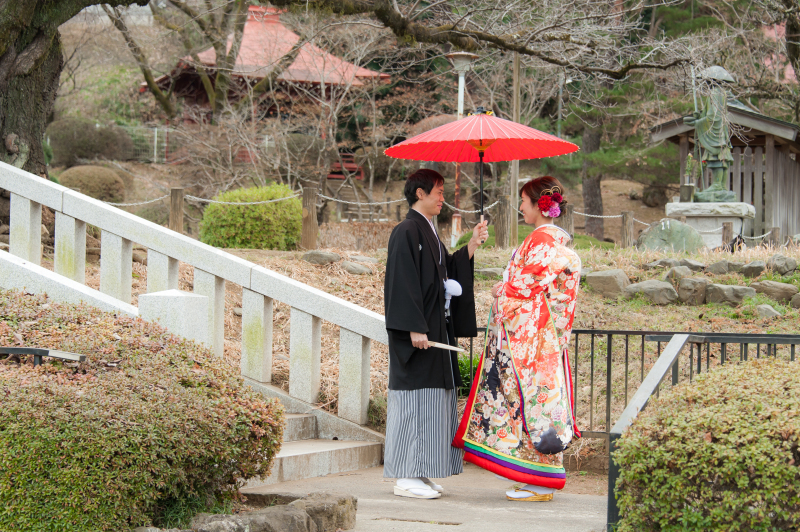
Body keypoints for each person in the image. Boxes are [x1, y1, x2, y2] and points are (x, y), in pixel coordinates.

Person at [453, 176, 582, 502]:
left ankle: (542, 481)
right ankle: (536, 477)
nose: (520, 207)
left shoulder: (542, 244)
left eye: (523, 201)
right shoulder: (554, 243)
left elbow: (525, 288)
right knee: (538, 408)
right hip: (543, 343)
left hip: (533, 345)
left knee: (535, 409)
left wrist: (502, 291)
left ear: (539, 205)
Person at [383, 168, 489, 500]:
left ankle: (422, 470)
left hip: (435, 331)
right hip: (418, 336)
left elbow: (448, 273)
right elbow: (402, 282)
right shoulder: (406, 231)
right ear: (420, 193)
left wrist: (471, 244)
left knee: (433, 404)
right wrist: (414, 325)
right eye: (439, 192)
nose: (443, 198)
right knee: (413, 403)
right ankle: (404, 474)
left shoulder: (428, 230)